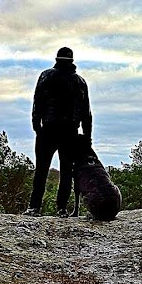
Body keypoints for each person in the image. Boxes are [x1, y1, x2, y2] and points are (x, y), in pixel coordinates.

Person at [23, 47, 92, 217]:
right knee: (66, 171)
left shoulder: (46, 75)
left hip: (48, 129)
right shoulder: (80, 81)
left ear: (56, 59)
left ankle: (34, 207)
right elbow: (87, 113)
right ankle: (61, 209)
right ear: (72, 61)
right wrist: (87, 137)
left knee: (41, 170)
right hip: (70, 131)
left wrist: (36, 125)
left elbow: (37, 101)